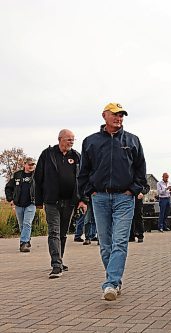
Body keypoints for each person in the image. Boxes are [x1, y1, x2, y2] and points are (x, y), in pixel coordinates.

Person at [78, 102, 147, 301]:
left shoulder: (132, 140)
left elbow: (140, 170)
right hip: (99, 197)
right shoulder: (91, 141)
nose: (119, 118)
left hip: (124, 198)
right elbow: (83, 172)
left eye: (121, 115)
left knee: (120, 241)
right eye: (115, 115)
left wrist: (133, 190)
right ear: (104, 116)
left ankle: (110, 283)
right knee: (105, 244)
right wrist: (88, 193)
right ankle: (115, 280)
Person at [35, 129, 85, 278]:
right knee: (54, 232)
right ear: (60, 139)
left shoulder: (76, 156)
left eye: (73, 140)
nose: (71, 142)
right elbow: (38, 178)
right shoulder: (47, 154)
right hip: (51, 201)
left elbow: (82, 179)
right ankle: (56, 264)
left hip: (70, 201)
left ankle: (59, 259)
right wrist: (38, 201)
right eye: (68, 139)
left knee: (63, 234)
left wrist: (83, 200)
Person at [5, 157, 37, 252]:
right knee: (22, 225)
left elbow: (43, 187)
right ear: (25, 164)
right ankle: (27, 239)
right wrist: (10, 199)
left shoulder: (37, 176)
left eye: (33, 165)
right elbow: (8, 187)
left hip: (31, 203)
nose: (31, 166)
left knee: (27, 223)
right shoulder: (17, 175)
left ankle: (23, 243)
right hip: (18, 203)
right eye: (29, 164)